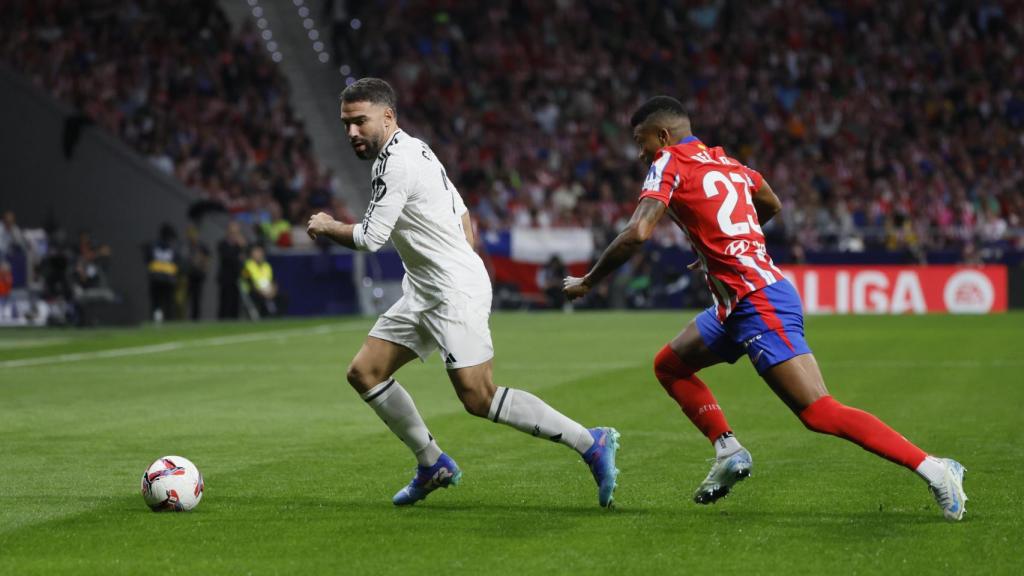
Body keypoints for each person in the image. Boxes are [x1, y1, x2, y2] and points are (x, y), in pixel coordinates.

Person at [563, 96, 967, 520]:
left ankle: (936, 469)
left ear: (662, 136)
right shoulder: (731, 164)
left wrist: (589, 280)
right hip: (736, 305)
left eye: (641, 141)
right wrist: (724, 244)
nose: (640, 152)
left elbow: (638, 232)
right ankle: (727, 450)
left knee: (818, 411)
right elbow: (771, 203)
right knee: (670, 365)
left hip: (759, 303)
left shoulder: (668, 162)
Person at [306, 78, 619, 507]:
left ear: (387, 116)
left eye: (360, 122)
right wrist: (450, 259)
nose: (352, 133)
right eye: (346, 125)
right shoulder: (418, 148)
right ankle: (431, 462)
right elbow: (463, 213)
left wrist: (325, 226)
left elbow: (370, 237)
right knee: (365, 372)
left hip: (452, 292)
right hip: (425, 288)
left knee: (478, 396)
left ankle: (591, 442)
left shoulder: (395, 162)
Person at [145, 223, 179, 323]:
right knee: (167, 303)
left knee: (157, 303)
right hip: (167, 279)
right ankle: (167, 322)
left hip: (156, 277)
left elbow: (148, 259)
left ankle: (157, 322)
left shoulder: (153, 245)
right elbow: (178, 261)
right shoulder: (172, 247)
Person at [217, 221, 247, 320]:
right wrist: (239, 249)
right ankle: (222, 323)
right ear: (228, 232)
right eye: (232, 232)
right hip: (226, 278)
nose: (234, 235)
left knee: (235, 303)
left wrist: (242, 247)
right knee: (225, 303)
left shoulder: (240, 246)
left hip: (237, 277)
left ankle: (234, 322)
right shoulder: (222, 244)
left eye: (236, 232)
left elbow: (245, 258)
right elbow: (229, 258)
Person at [241, 245, 279, 317]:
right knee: (260, 300)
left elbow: (273, 280)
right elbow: (249, 282)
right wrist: (261, 292)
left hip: (268, 292)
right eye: (256, 252)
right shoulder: (247, 266)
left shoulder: (267, 266)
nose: (258, 254)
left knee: (282, 298)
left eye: (260, 252)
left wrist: (273, 292)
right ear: (251, 254)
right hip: (253, 292)